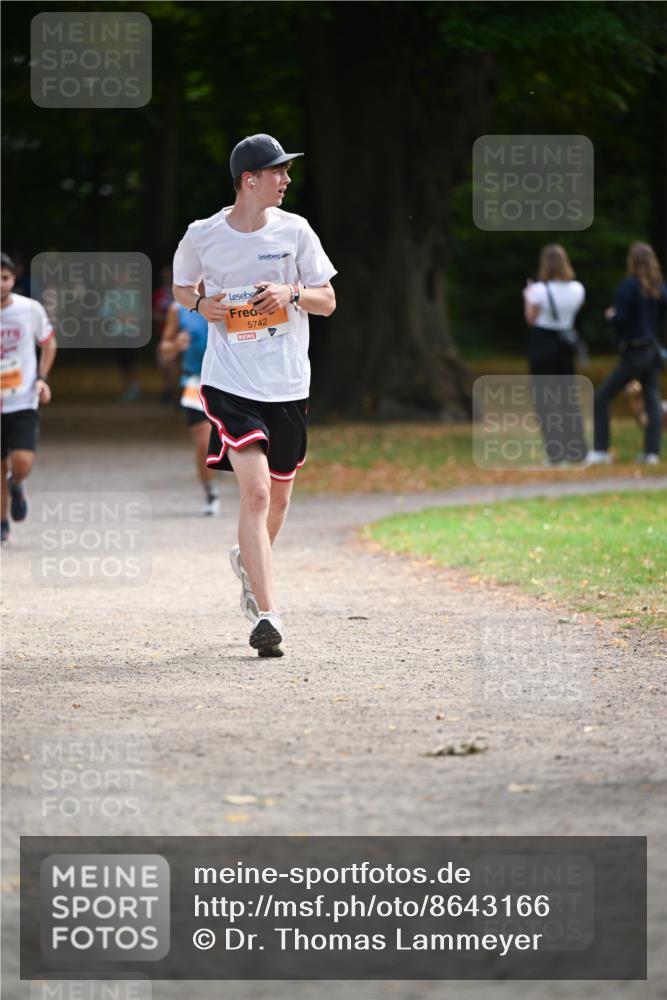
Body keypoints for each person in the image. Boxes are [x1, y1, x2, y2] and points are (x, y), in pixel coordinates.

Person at [172, 133, 336, 656]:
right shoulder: (203, 235)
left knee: (280, 498)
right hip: (230, 383)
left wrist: (291, 292)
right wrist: (202, 305)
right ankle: (268, 617)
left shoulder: (297, 231)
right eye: (278, 172)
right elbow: (181, 286)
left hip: (287, 383)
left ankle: (249, 558)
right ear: (250, 179)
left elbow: (327, 301)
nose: (287, 180)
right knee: (258, 492)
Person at [588, 242, 667, 466]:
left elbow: (620, 318)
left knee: (602, 396)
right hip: (653, 350)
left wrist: (611, 316)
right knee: (651, 400)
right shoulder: (659, 287)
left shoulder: (629, 286)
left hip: (635, 350)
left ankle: (601, 450)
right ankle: (652, 452)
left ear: (632, 261)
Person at [1, 252, 57, 544]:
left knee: (21, 462)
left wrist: (42, 379)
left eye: (5, 278)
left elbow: (48, 343)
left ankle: (17, 483)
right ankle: (2, 524)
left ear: (13, 279)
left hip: (22, 399)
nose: (0, 284)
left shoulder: (29, 309)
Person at [523, 244, 587, 465]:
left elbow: (531, 319)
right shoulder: (578, 289)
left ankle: (556, 453)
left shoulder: (538, 290)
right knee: (567, 399)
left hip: (543, 343)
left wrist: (527, 296)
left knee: (545, 400)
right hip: (565, 344)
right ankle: (577, 450)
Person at [159, 298, 220, 515]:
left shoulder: (232, 297)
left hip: (230, 381)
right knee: (204, 441)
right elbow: (164, 349)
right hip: (195, 381)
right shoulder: (178, 309)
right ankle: (210, 492)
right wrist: (175, 345)